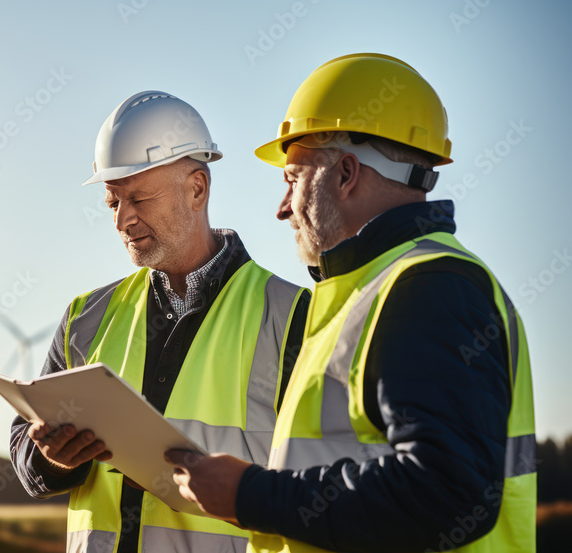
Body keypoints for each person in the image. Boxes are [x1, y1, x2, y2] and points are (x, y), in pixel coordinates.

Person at [166, 53, 537, 552]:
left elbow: (446, 491)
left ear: (345, 174)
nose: (281, 209)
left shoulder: (429, 286)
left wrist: (249, 494)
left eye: (291, 180)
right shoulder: (368, 292)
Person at [9, 90, 311, 552]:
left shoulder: (292, 318)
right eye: (112, 202)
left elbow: (327, 482)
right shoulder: (85, 318)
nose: (122, 220)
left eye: (139, 199)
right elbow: (24, 446)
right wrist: (52, 459)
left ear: (196, 188)